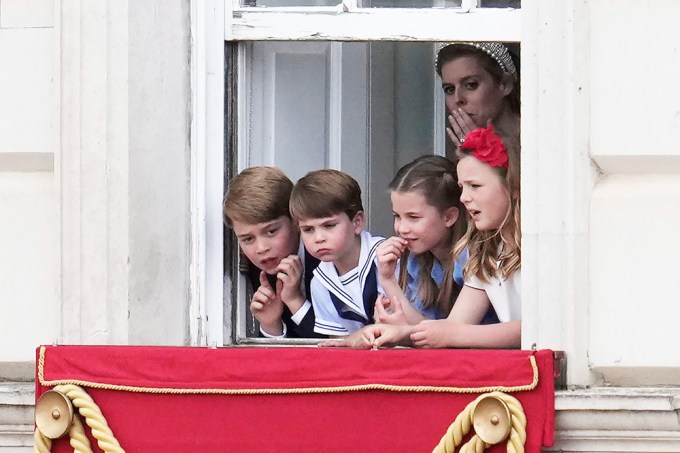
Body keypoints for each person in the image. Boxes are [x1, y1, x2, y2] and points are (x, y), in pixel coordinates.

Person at [361, 125, 521, 349]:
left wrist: (412, 332)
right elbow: (452, 327)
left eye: (475, 186)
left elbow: (537, 327)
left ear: (513, 185)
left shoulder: (536, 247)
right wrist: (396, 331)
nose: (464, 198)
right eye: (462, 187)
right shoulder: (487, 250)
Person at [373, 155, 498, 325]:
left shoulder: (472, 256)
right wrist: (388, 280)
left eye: (413, 217)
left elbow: (441, 334)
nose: (402, 228)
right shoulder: (417, 261)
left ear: (449, 217)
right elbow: (422, 327)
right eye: (397, 216)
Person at [223, 166, 323, 338]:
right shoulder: (255, 272)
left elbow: (338, 343)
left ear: (295, 221)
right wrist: (271, 325)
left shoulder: (328, 255)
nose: (261, 248)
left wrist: (295, 300)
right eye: (247, 239)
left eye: (271, 232)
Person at [289, 169, 385, 337]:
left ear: (357, 222)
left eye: (329, 226)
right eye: (308, 229)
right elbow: (339, 343)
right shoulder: (320, 282)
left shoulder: (386, 257)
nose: (318, 238)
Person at [435, 42, 520, 149]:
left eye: (471, 85)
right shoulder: (460, 145)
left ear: (504, 84)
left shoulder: (540, 136)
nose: (458, 99)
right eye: (449, 89)